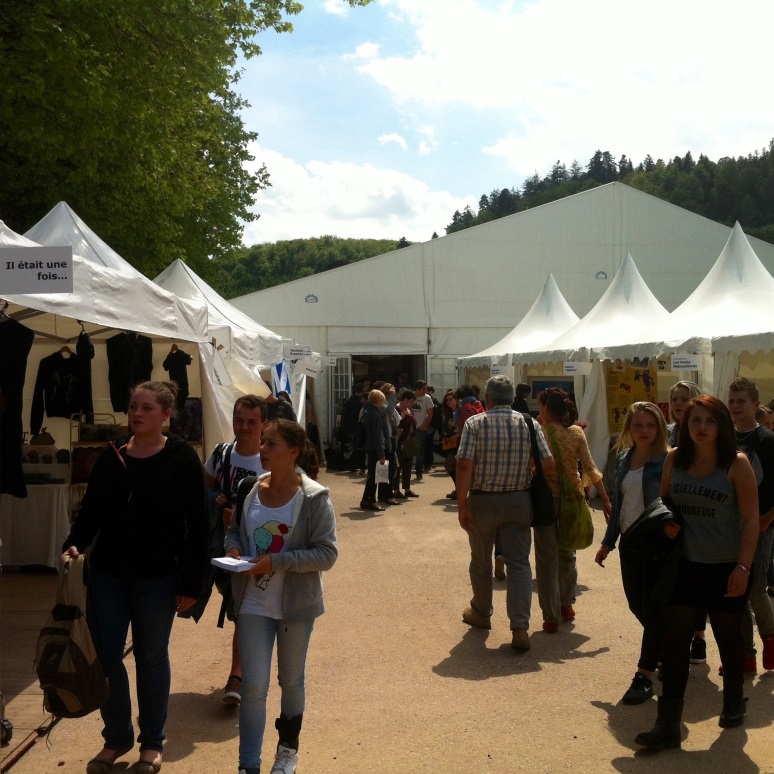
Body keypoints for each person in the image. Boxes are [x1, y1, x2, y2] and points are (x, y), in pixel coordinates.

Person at [62, 381, 208, 774]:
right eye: (133, 407)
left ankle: (152, 742)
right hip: (108, 575)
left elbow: (199, 525)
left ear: (166, 414)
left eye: (146, 408)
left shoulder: (182, 458)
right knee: (107, 656)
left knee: (151, 657)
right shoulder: (111, 456)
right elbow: (91, 511)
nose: (137, 414)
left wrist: (191, 584)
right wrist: (74, 543)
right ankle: (116, 737)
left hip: (158, 578)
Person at [635, 395, 759, 750]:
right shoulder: (675, 459)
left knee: (728, 638)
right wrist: (668, 522)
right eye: (695, 421)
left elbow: (751, 519)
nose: (702, 427)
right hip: (684, 565)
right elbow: (664, 504)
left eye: (710, 421)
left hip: (725, 567)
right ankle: (667, 725)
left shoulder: (736, 464)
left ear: (721, 426)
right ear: (685, 425)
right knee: (675, 643)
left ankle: (733, 700)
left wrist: (743, 567)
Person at [224, 420, 337, 774]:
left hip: (295, 608)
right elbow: (234, 530)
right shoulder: (250, 489)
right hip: (252, 604)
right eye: (263, 442)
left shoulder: (314, 498)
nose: (262, 449)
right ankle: (248, 765)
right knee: (253, 686)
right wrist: (233, 548)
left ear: (293, 452)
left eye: (271, 443)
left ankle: (287, 753)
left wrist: (277, 561)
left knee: (291, 681)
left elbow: (327, 554)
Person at [456, 375, 554, 650]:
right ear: (511, 398)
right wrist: (526, 471)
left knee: (481, 560)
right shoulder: (529, 423)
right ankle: (519, 626)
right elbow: (548, 463)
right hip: (519, 500)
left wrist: (462, 504)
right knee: (519, 563)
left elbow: (464, 465)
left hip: (483, 501)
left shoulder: (475, 423)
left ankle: (481, 612)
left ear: (487, 398)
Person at [595, 402, 668, 705]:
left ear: (659, 428)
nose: (644, 431)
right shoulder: (625, 458)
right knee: (636, 603)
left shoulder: (667, 460)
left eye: (650, 425)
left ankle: (645, 673)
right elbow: (618, 504)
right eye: (638, 425)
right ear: (629, 429)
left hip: (657, 541)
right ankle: (665, 645)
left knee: (651, 607)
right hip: (630, 541)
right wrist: (608, 542)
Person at [203, 395, 268, 706]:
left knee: (244, 612)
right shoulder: (221, 454)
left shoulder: (270, 460)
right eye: (239, 420)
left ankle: (237, 677)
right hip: (224, 549)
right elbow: (204, 487)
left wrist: (243, 518)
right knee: (239, 610)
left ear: (264, 424)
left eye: (251, 421)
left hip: (257, 550)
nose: (244, 427)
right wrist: (215, 499)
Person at [537, 388, 610, 632]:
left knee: (546, 559)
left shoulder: (539, 432)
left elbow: (531, 468)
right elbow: (590, 468)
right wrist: (606, 499)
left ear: (547, 408)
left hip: (545, 502)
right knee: (567, 553)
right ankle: (566, 604)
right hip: (572, 501)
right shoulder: (576, 432)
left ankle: (550, 616)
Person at [727, 377, 774, 673]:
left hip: (762, 525)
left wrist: (767, 519)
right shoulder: (724, 439)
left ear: (755, 404)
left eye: (741, 401)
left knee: (756, 588)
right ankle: (745, 654)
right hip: (730, 527)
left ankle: (770, 637)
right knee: (735, 591)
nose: (735, 406)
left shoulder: (768, 441)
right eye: (731, 401)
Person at [360, 389, 388, 511]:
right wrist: (381, 454)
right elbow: (377, 436)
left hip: (369, 446)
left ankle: (366, 499)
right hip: (375, 447)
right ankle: (371, 500)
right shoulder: (375, 414)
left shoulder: (367, 411)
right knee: (374, 476)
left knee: (372, 475)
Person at [394, 390, 420, 499]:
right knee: (398, 466)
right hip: (400, 441)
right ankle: (396, 490)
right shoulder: (396, 409)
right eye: (411, 401)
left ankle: (407, 489)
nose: (413, 403)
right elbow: (396, 425)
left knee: (408, 466)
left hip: (409, 442)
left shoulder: (409, 409)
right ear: (405, 399)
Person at [667, 380, 701, 447]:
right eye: (674, 399)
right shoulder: (665, 433)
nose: (677, 403)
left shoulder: (703, 432)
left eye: (685, 399)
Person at [440, 390, 461, 499]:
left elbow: (464, 427)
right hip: (451, 444)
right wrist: (445, 436)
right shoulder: (448, 413)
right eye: (446, 400)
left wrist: (456, 436)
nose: (448, 402)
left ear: (456, 400)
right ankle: (458, 489)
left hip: (460, 442)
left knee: (450, 464)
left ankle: (459, 490)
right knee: (452, 466)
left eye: (450, 399)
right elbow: (445, 427)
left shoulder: (461, 412)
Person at [412, 380, 434, 481]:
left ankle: (419, 472)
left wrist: (425, 425)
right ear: (417, 389)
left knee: (420, 451)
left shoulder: (427, 398)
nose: (425, 390)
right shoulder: (411, 396)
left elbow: (430, 414)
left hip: (421, 428)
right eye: (423, 389)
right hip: (410, 428)